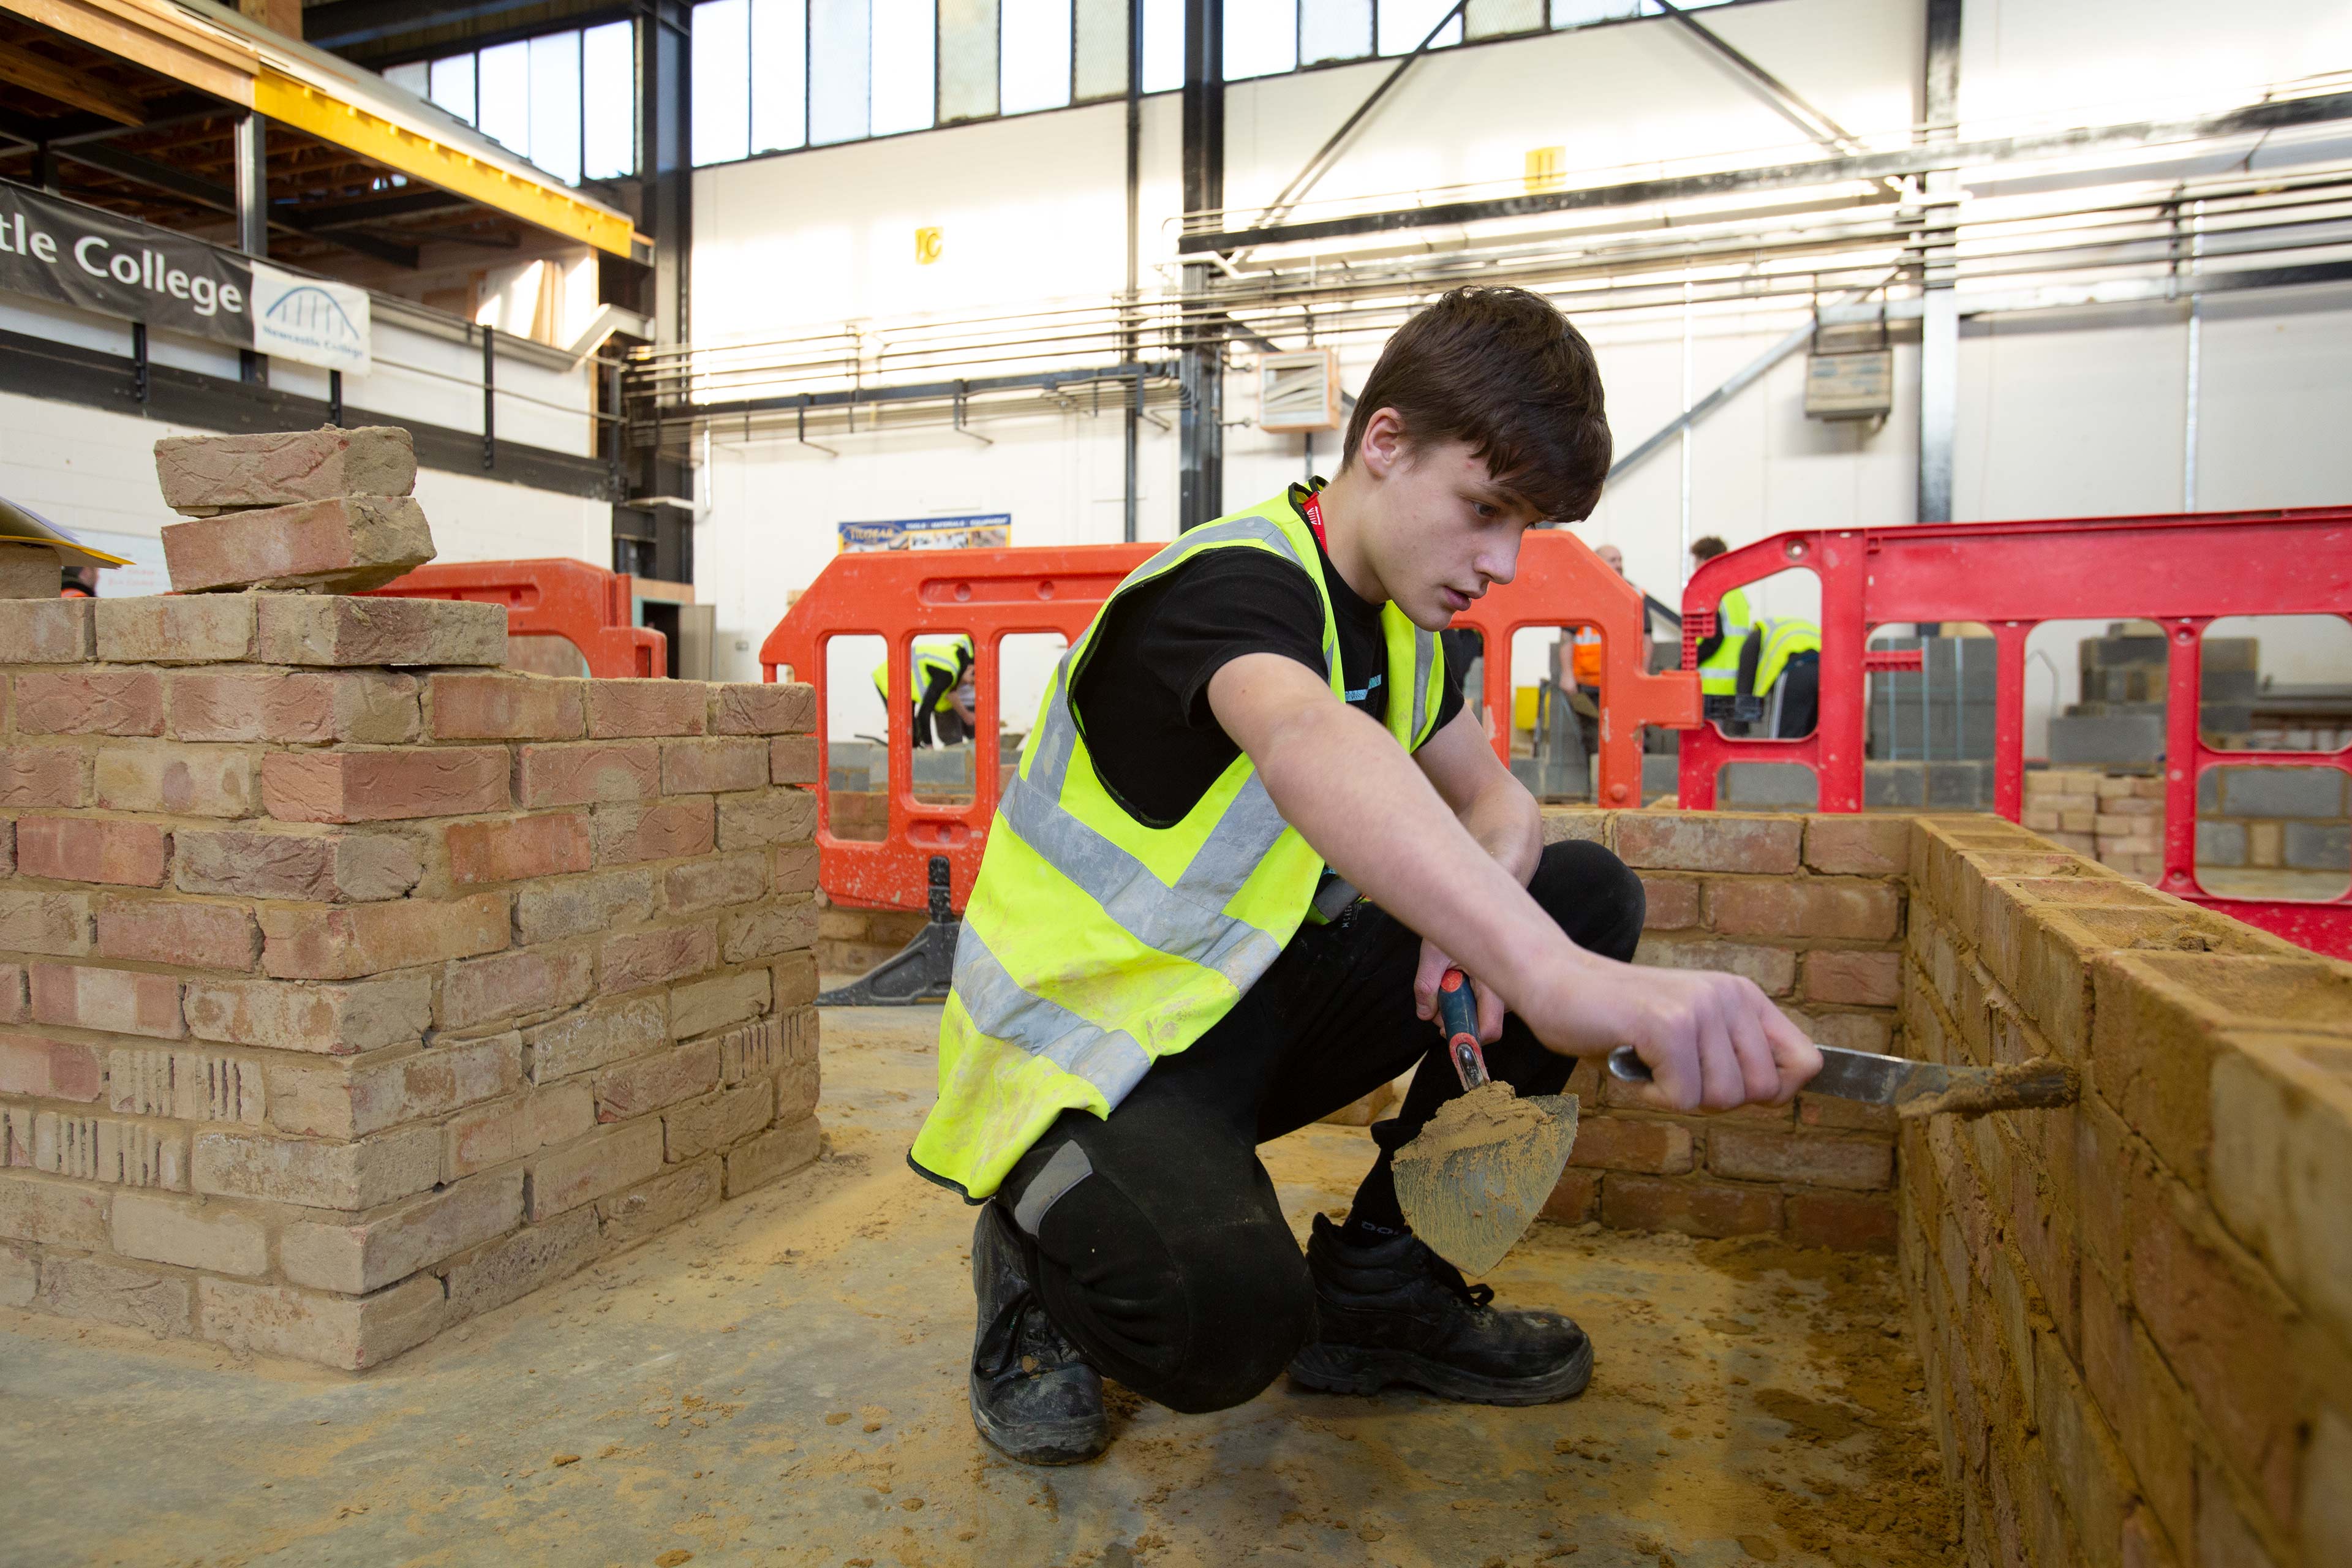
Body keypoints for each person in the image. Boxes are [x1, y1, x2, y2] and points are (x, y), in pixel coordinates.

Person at [911, 287, 1822, 1467]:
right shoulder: (1226, 587)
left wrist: (1480, 915)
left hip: (1238, 1011)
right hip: (1088, 1057)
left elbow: (1500, 804)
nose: (1501, 562)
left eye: (1525, 527)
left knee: (1583, 892)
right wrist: (1543, 975)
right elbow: (1306, 736)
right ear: (1384, 442)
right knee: (1226, 1327)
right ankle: (1036, 1252)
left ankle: (1387, 1290)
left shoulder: (1400, 626)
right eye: (1484, 509)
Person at [872, 636, 975, 747]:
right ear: (970, 669)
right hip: (890, 677)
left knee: (911, 732)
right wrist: (929, 747)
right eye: (972, 681)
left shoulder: (957, 664)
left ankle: (914, 744)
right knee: (905, 730)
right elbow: (924, 713)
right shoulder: (947, 675)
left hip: (904, 676)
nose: (970, 684)